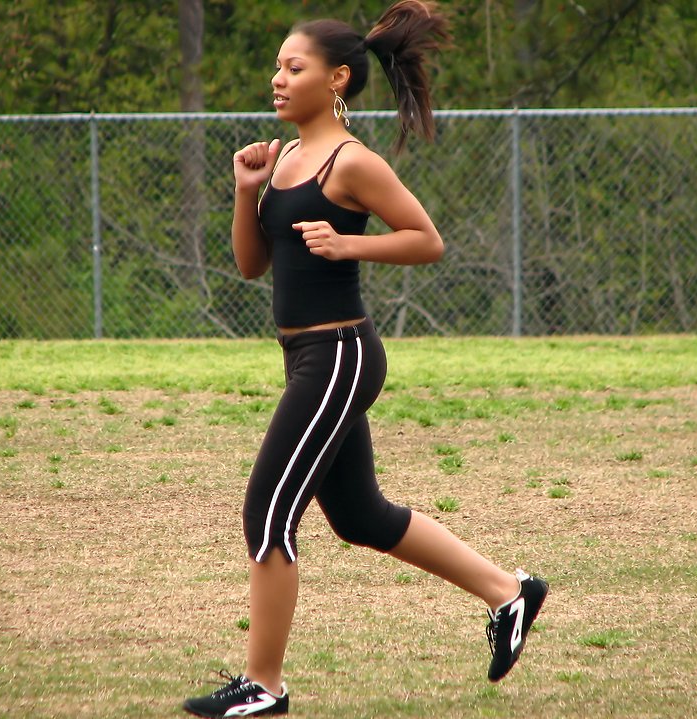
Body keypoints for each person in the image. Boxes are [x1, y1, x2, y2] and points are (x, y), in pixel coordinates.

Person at [183, 2, 547, 716]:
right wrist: (245, 191)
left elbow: (426, 238)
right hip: (306, 358)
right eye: (278, 67)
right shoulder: (285, 157)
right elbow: (253, 266)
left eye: (295, 68)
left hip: (341, 353)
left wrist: (349, 244)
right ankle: (511, 592)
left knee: (268, 513)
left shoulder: (354, 162)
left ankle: (265, 686)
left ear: (338, 78)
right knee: (359, 515)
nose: (278, 79)